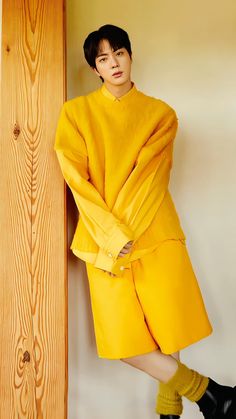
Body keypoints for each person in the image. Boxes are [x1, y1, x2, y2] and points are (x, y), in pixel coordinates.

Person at [54, 24, 236, 418]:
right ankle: (209, 394)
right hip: (103, 243)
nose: (113, 62)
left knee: (168, 326)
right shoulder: (76, 113)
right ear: (95, 69)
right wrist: (111, 235)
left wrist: (123, 233)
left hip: (156, 230)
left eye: (119, 53)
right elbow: (76, 180)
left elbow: (148, 179)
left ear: (130, 55)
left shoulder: (161, 114)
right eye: (103, 58)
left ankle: (170, 411)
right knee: (125, 342)